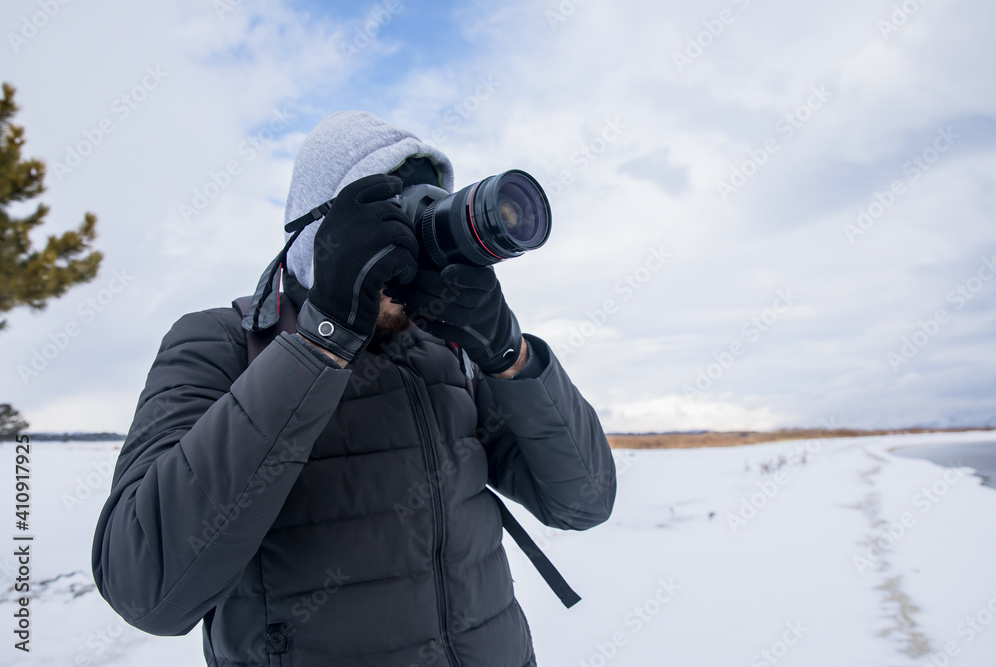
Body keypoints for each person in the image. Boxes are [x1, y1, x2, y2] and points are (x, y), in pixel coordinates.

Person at [91, 110, 616, 667]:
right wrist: (323, 339)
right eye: (392, 223)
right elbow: (145, 588)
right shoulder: (222, 341)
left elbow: (582, 503)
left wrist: (508, 353)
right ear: (322, 231)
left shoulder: (449, 353)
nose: (413, 258)